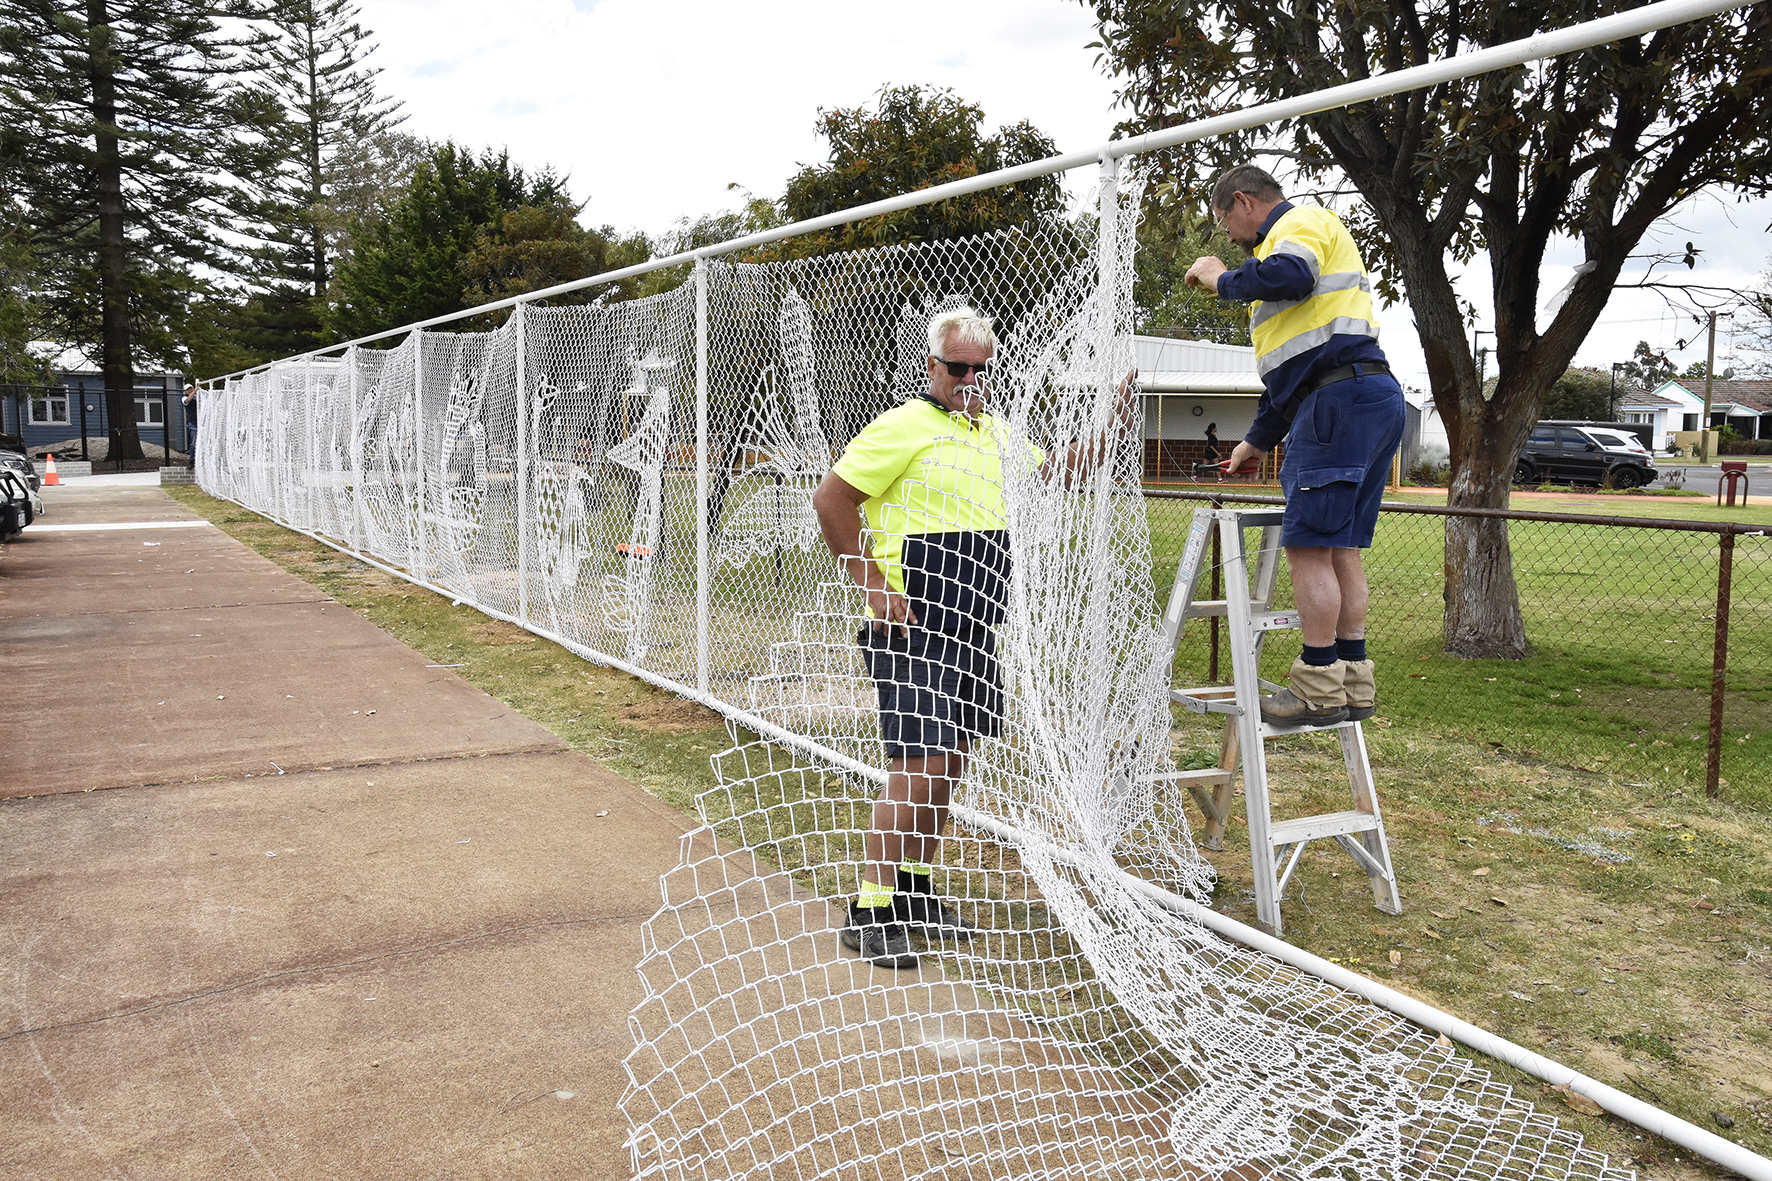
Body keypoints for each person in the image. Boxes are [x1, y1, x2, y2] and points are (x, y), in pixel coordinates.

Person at [813, 307, 1137, 969]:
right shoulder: (901, 427)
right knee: (918, 767)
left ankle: (915, 889)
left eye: (978, 368)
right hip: (913, 631)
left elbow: (1058, 470)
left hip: (974, 627)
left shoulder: (999, 435)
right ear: (932, 366)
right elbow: (832, 500)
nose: (967, 378)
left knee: (951, 764)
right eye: (955, 366)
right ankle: (869, 907)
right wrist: (874, 586)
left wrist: (1112, 430)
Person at [1183, 165, 1405, 727]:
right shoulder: (1298, 251)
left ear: (1242, 203)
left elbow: (1290, 275)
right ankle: (1352, 681)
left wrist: (1219, 277)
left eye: (1225, 223)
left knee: (1308, 547)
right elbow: (1291, 377)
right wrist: (1256, 442)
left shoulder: (1298, 225)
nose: (1230, 238)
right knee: (1341, 547)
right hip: (1363, 397)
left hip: (1337, 403)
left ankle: (1316, 685)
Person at [182, 385, 198, 464]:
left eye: (191, 389)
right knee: (193, 442)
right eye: (188, 390)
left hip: (201, 422)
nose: (190, 391)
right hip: (193, 422)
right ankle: (192, 459)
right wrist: (195, 390)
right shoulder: (184, 398)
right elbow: (188, 400)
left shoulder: (197, 398)